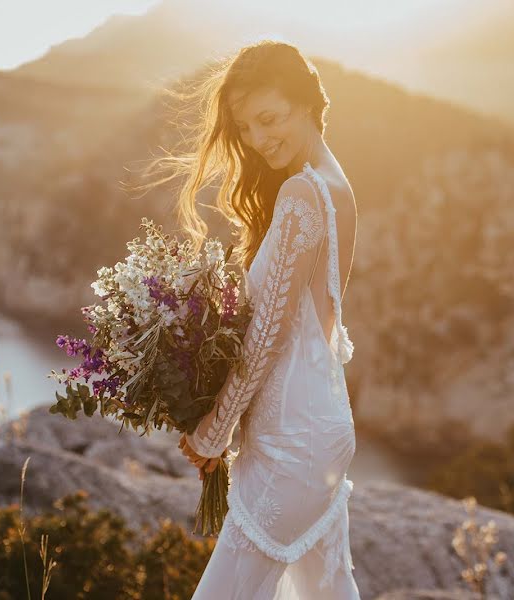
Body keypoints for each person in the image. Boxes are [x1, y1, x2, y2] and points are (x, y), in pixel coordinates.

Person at [154, 38, 360, 599]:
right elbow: (310, 331)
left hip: (293, 444)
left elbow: (268, 335)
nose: (259, 139)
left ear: (308, 103)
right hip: (320, 428)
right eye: (246, 128)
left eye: (269, 119)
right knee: (327, 590)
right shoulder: (335, 187)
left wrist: (212, 432)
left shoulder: (301, 194)